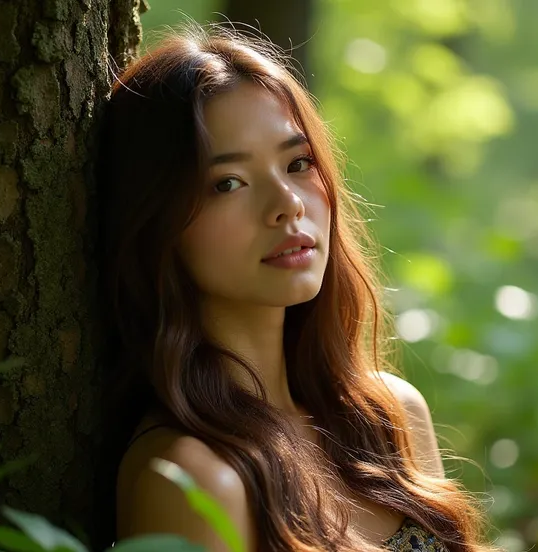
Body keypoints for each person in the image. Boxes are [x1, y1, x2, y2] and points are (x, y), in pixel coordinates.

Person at [95, 22, 495, 552]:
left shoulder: (389, 417)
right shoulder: (191, 480)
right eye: (227, 183)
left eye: (298, 163)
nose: (289, 202)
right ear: (155, 226)